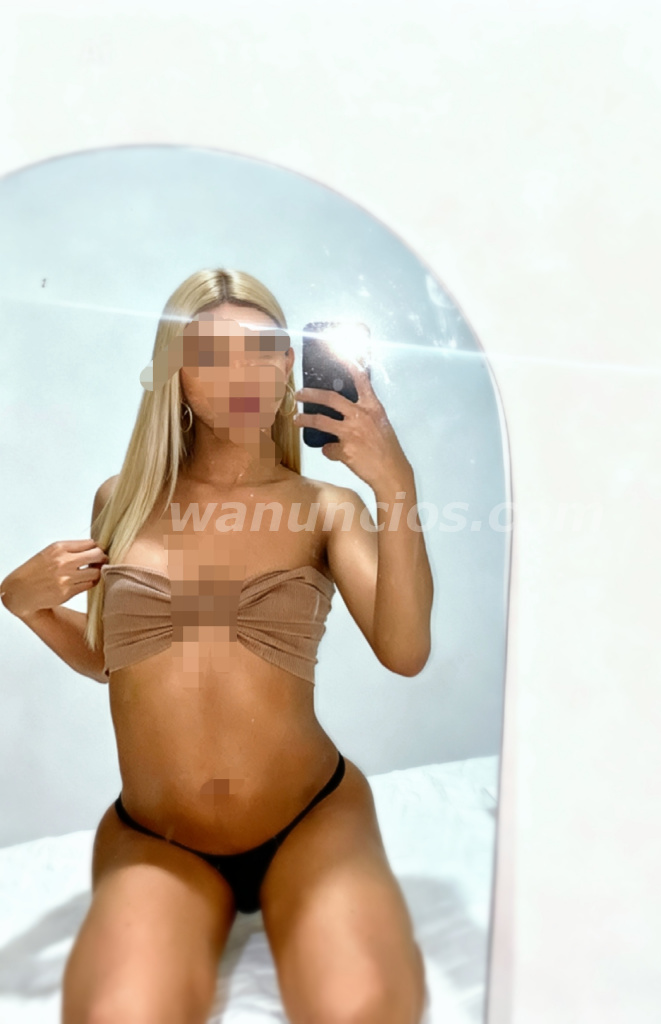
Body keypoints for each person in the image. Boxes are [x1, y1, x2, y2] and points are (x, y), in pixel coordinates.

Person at [0, 268, 434, 1024]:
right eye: (212, 357)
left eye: (263, 351)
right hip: (158, 840)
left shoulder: (326, 509)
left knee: (363, 1011)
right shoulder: (122, 500)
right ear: (175, 374)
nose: (244, 376)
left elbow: (405, 651)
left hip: (310, 820)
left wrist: (395, 487)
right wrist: (23, 604)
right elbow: (114, 658)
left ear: (289, 365)